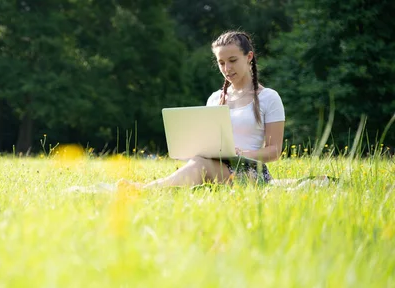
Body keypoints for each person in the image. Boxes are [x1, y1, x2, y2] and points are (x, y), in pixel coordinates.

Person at [122, 31, 285, 189]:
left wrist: (242, 153)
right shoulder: (215, 98)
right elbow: (208, 144)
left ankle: (145, 190)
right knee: (199, 162)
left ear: (249, 57)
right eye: (221, 63)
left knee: (200, 164)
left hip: (250, 172)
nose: (227, 68)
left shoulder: (269, 98)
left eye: (233, 60)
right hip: (216, 167)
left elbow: (274, 151)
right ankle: (151, 189)